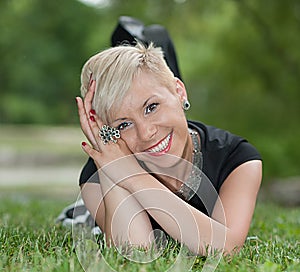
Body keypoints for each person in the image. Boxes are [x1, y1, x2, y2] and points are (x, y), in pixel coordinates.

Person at [75, 40, 262, 256]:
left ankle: (150, 35)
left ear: (179, 91)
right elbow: (135, 251)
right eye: (123, 124)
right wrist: (115, 166)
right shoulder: (96, 176)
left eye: (151, 107)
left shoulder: (237, 159)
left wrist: (131, 175)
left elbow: (227, 248)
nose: (146, 133)